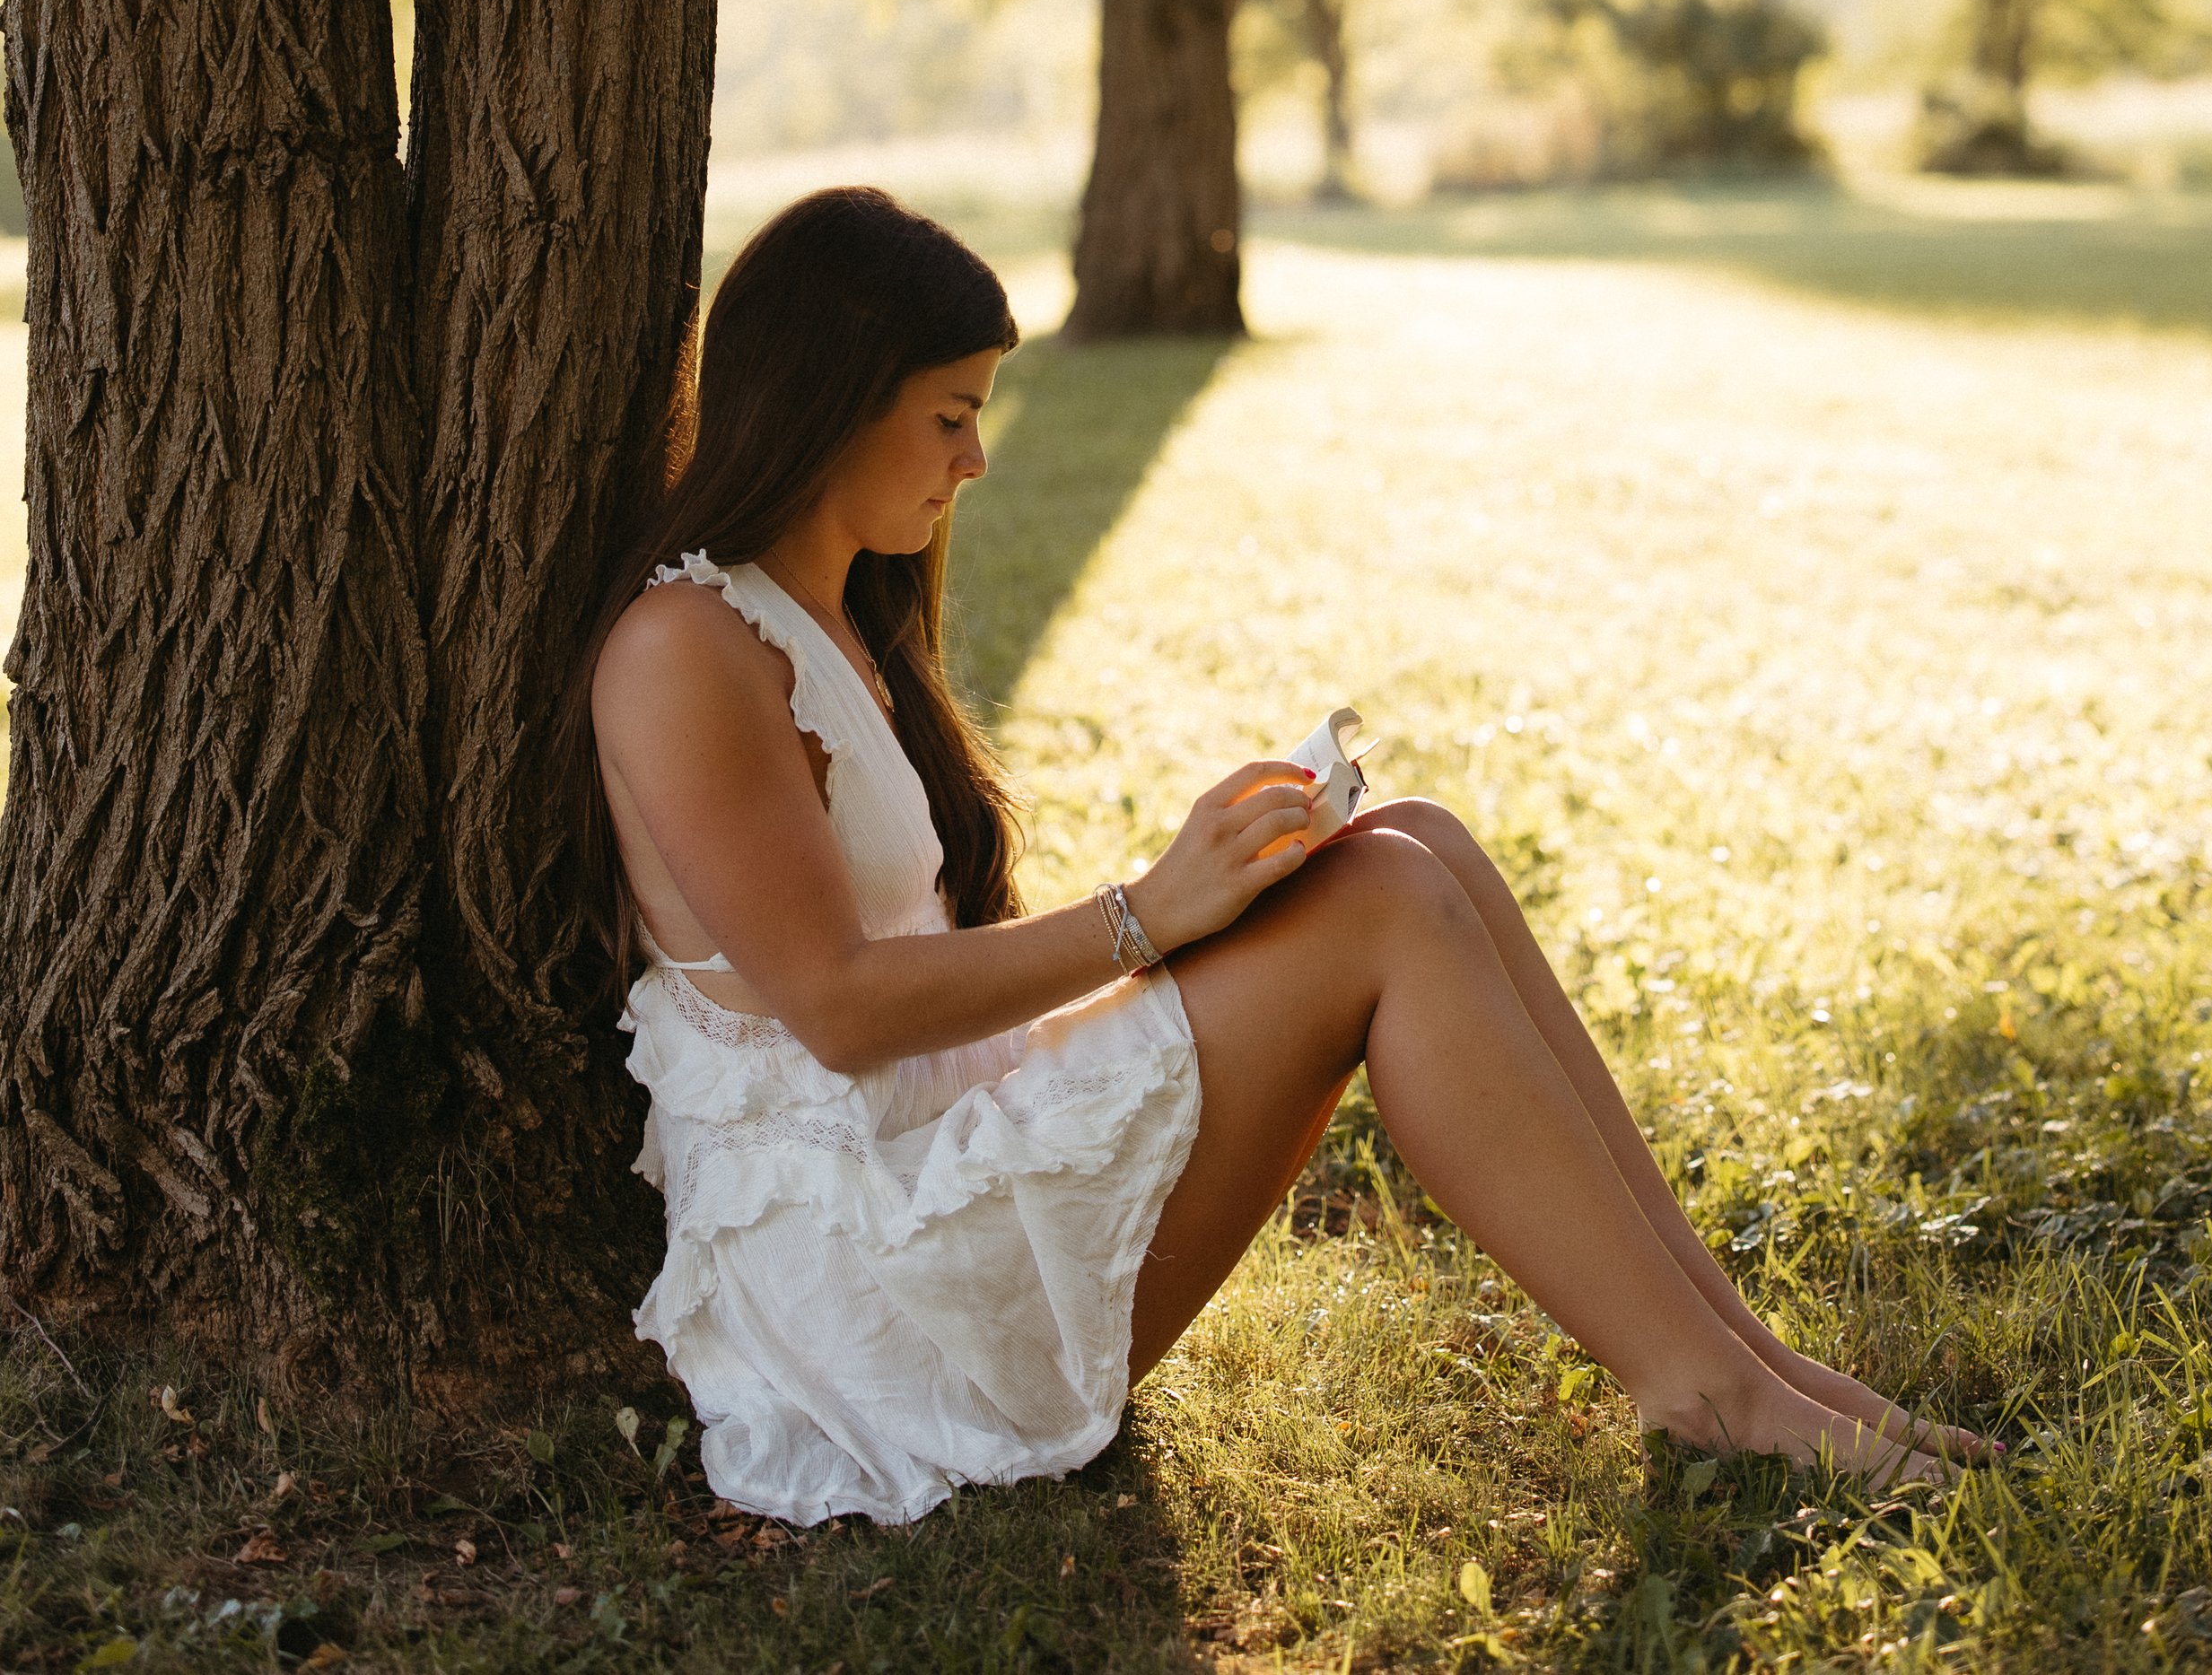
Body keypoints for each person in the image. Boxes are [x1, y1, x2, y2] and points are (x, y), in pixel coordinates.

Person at [582, 187, 1972, 1529]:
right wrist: (1148, 915)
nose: (977, 458)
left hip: (937, 1150)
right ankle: (1706, 1387)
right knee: (1387, 902)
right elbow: (836, 1008)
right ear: (832, 400)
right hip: (862, 1277)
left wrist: (1204, 905)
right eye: (951, 416)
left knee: (1410, 838)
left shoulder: (831, 621)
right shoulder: (685, 649)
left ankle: (1739, 1356)